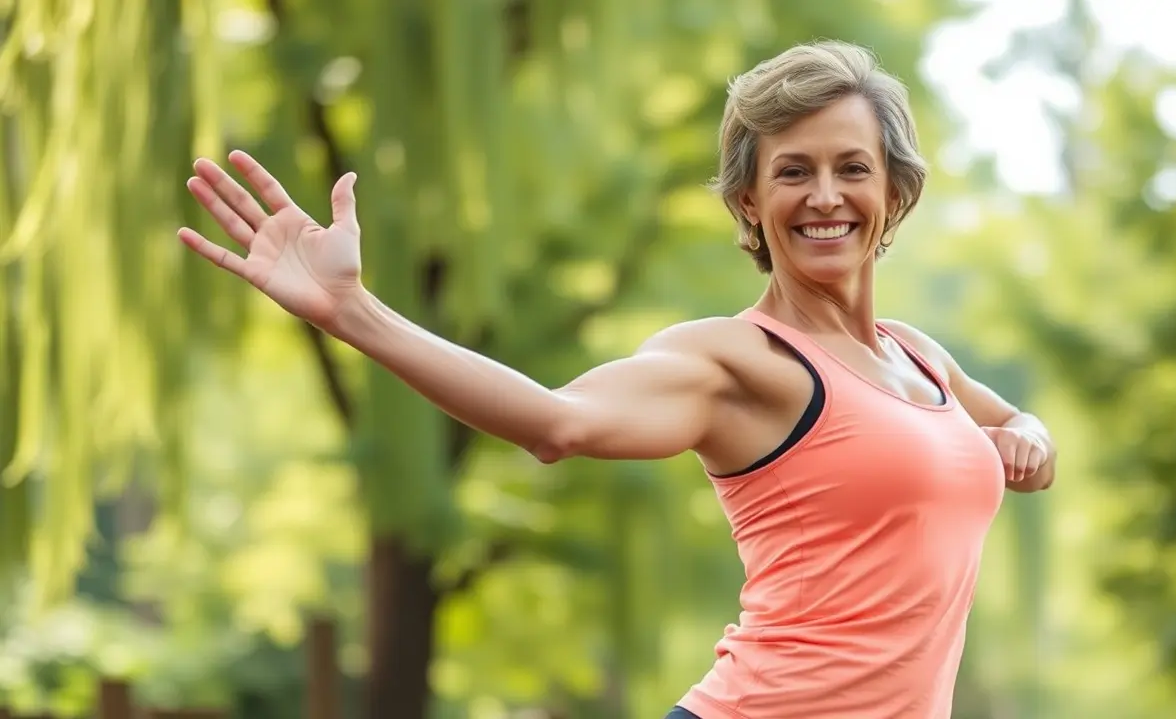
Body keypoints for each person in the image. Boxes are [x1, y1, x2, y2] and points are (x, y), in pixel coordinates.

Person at [178, 40, 1055, 719]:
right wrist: (353, 314)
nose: (825, 195)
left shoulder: (919, 358)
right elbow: (553, 422)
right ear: (749, 200)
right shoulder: (735, 363)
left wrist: (1029, 436)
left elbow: (1016, 426)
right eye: (792, 171)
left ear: (894, 191)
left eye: (851, 168)